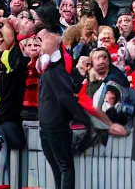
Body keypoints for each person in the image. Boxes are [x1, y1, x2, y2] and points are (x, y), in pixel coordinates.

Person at [38, 32, 92, 189]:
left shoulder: (54, 72)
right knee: (63, 168)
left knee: (60, 168)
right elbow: (66, 98)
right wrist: (84, 118)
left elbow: (65, 98)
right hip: (52, 126)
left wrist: (82, 118)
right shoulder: (55, 72)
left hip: (50, 126)